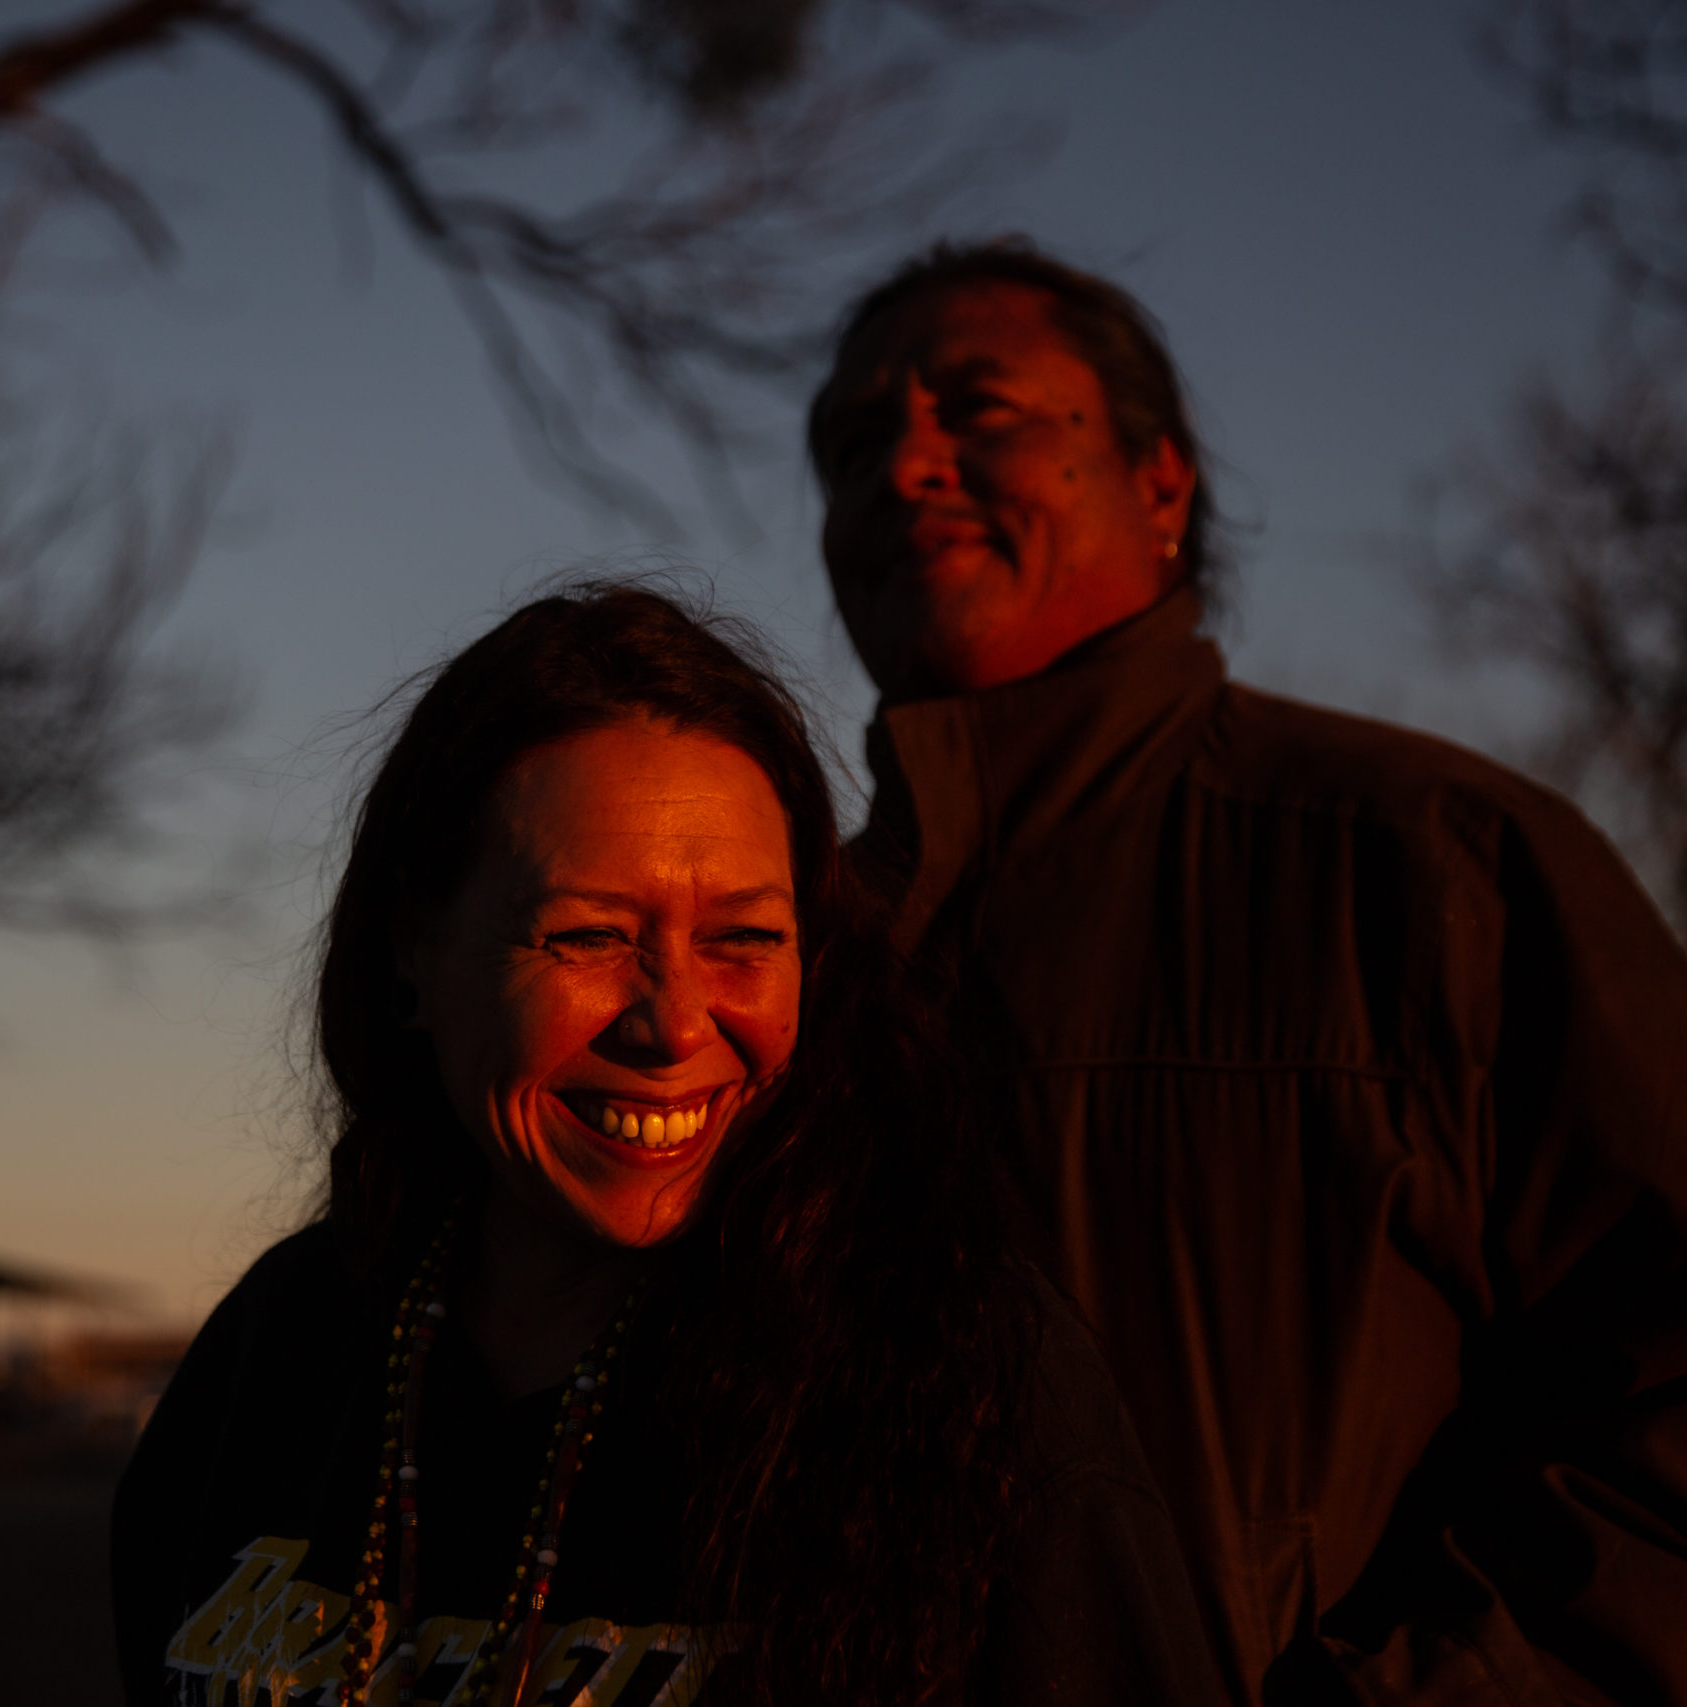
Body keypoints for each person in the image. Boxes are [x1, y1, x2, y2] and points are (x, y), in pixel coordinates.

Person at [805, 239, 1687, 1707]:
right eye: (851, 436)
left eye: (980, 408)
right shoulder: (782, 953)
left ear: (1160, 481)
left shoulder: (1431, 864)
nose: (902, 465)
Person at [110, 584, 1224, 1707]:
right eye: (588, 936)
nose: (676, 1026)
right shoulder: (288, 1344)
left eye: (743, 939)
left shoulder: (964, 1376)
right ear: (414, 950)